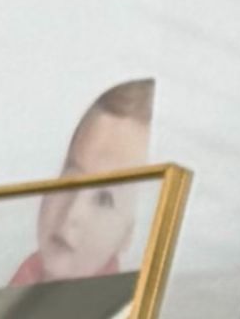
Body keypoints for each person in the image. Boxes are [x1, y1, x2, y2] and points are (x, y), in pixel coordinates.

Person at [13, 78, 154, 286]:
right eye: (71, 180)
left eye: (104, 199)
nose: (72, 213)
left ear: (128, 234)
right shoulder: (23, 278)